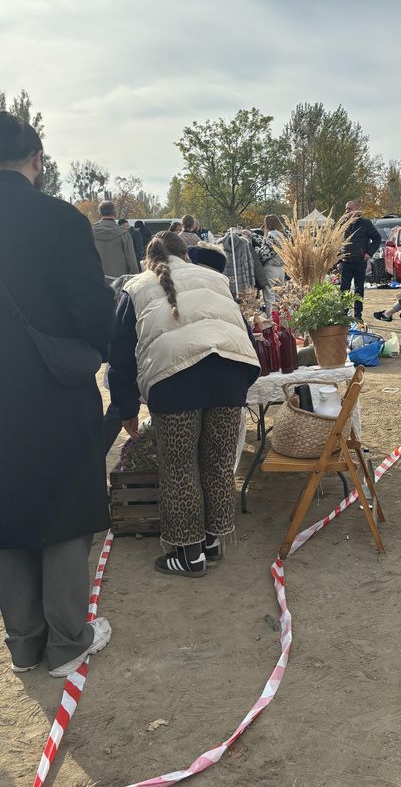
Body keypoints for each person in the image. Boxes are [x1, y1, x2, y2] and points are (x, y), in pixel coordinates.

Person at [0, 111, 115, 677]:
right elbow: (95, 309)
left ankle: (23, 643)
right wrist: (89, 350)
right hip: (51, 386)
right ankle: (68, 643)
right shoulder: (61, 220)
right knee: (65, 505)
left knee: (5, 506)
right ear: (37, 161)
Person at [108, 231, 260, 577]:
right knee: (218, 462)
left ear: (148, 260)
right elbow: (244, 335)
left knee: (179, 468)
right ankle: (211, 541)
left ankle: (189, 555)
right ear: (185, 255)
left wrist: (126, 409)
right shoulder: (216, 279)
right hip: (229, 373)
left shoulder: (135, 289)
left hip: (174, 381)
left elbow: (119, 356)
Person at [339, 200, 381, 321]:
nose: (347, 211)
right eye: (346, 209)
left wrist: (369, 253)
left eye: (350, 209)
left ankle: (358, 315)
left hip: (360, 261)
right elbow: (337, 241)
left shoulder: (365, 223)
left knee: (358, 289)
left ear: (357, 210)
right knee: (344, 289)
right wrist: (338, 257)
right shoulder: (343, 224)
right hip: (346, 262)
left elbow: (377, 239)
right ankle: (343, 313)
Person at [92, 201, 140, 279]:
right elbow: (131, 261)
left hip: (96, 280)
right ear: (115, 213)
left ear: (99, 214)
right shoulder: (124, 234)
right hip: (119, 282)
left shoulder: (89, 233)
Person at [258, 214, 285, 313]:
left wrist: (257, 250)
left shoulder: (271, 235)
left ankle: (273, 323)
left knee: (270, 298)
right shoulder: (283, 235)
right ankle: (282, 322)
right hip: (281, 269)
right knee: (279, 297)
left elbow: (264, 254)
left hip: (270, 268)